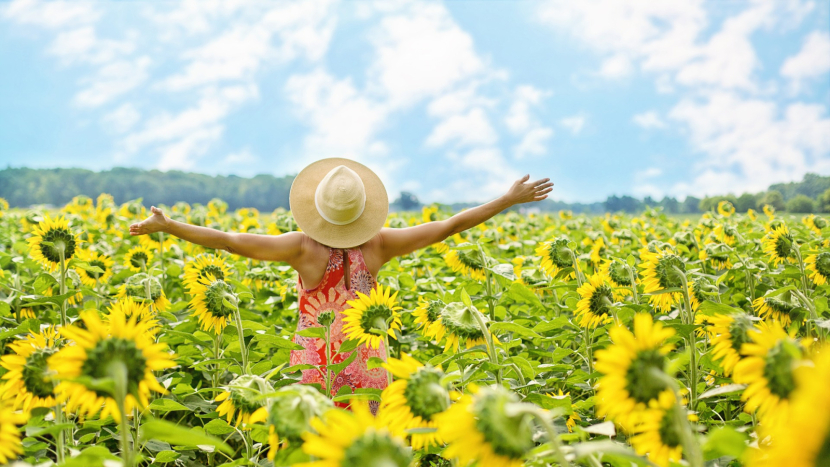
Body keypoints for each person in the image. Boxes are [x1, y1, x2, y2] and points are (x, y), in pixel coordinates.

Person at [129, 157, 552, 407]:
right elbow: (448, 226)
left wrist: (170, 226)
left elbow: (230, 241)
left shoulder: (302, 249)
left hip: (320, 368)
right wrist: (506, 200)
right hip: (370, 366)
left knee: (317, 447)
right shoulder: (380, 245)